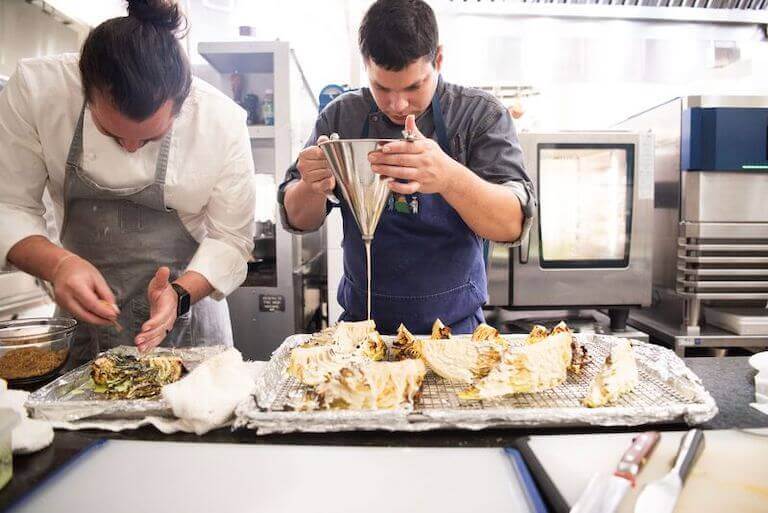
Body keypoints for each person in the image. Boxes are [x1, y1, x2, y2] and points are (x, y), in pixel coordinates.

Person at [0, 0, 255, 364]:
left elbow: (231, 238)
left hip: (188, 326)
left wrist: (178, 295)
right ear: (84, 91)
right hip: (84, 328)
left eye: (150, 138)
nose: (132, 148)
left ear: (181, 104)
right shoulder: (40, 91)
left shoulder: (219, 120)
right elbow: (8, 205)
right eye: (112, 133)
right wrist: (57, 266)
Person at [278, 0, 535, 334]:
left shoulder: (479, 116)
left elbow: (512, 224)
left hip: (455, 333)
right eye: (381, 88)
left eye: (414, 86)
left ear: (438, 59)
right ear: (366, 65)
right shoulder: (343, 117)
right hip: (362, 330)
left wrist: (448, 177)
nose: (398, 105)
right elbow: (298, 219)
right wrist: (311, 186)